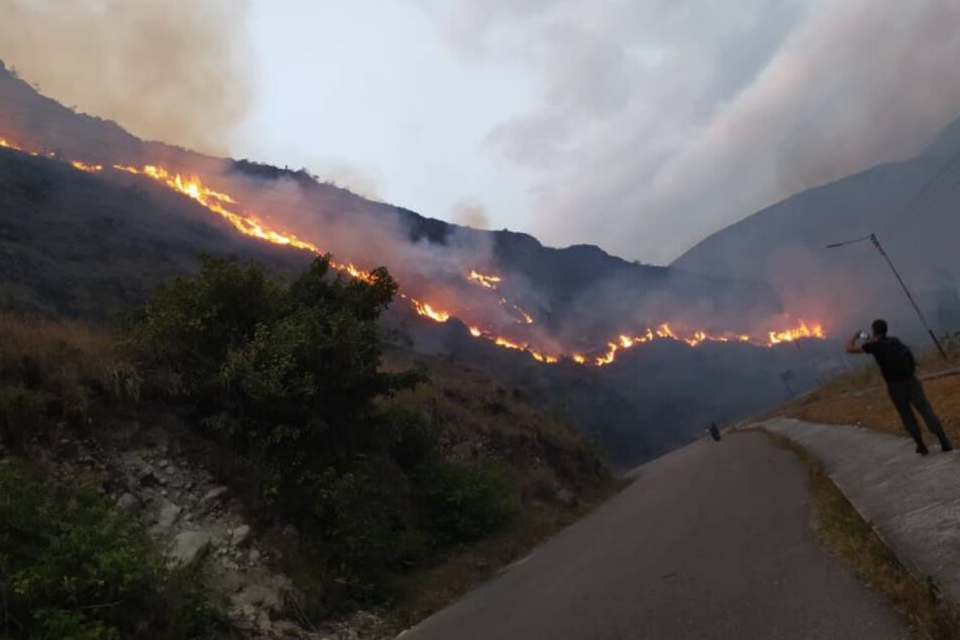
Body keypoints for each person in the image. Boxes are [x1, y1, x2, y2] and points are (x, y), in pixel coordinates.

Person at [846, 319, 953, 455]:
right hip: (911, 381)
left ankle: (920, 445)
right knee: (925, 409)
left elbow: (849, 348)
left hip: (895, 386)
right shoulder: (895, 341)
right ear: (886, 330)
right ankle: (944, 440)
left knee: (906, 415)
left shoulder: (874, 346)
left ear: (873, 331)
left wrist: (856, 335)